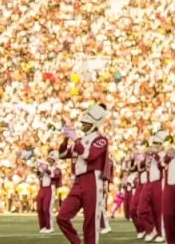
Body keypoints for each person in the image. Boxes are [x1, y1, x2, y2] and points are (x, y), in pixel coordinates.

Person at [56, 103, 111, 244]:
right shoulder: (79, 140)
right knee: (62, 217)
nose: (82, 125)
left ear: (94, 124)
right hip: (78, 181)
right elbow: (62, 154)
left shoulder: (101, 139)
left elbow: (89, 156)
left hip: (93, 179)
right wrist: (66, 139)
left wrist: (75, 139)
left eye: (86, 123)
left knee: (90, 222)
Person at [139, 131, 168, 243]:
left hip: (158, 183)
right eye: (154, 143)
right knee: (141, 210)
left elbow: (162, 166)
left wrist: (155, 154)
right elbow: (141, 167)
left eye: (158, 143)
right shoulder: (149, 155)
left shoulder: (165, 155)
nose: (155, 145)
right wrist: (144, 155)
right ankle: (151, 230)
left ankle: (161, 233)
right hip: (148, 183)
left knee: (158, 210)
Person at [37, 152, 62, 234]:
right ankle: (43, 226)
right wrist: (38, 169)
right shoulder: (45, 167)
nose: (49, 160)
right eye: (49, 159)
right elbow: (39, 176)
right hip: (42, 188)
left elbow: (54, 176)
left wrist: (46, 169)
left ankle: (49, 227)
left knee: (46, 209)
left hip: (50, 189)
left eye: (51, 159)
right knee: (40, 209)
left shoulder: (57, 168)